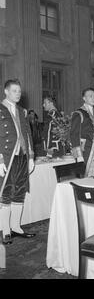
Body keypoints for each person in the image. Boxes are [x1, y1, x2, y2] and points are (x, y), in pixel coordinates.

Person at [0, 79, 35, 245]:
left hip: (22, 156)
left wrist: (31, 157)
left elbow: (27, 134)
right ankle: (5, 230)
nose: (18, 94)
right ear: (6, 92)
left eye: (19, 91)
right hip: (7, 157)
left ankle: (16, 227)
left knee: (19, 191)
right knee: (6, 192)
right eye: (14, 91)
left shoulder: (22, 111)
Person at [70, 88, 94, 176]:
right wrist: (78, 156)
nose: (93, 98)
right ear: (84, 98)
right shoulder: (79, 113)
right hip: (86, 151)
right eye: (90, 96)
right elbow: (74, 135)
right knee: (87, 176)